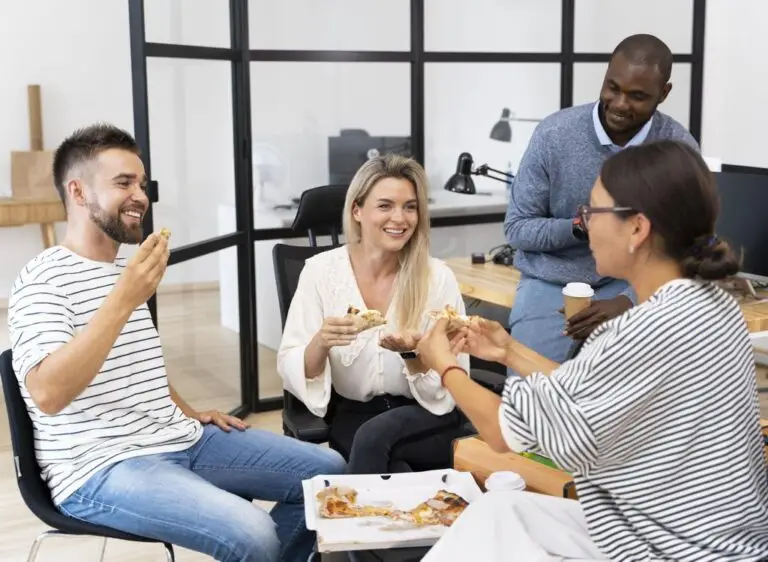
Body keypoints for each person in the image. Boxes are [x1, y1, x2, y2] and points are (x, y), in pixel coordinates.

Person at [7, 123, 346, 562]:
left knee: (329, 474)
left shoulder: (127, 271)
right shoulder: (42, 279)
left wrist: (188, 411)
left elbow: (132, 367)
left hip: (179, 436)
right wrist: (125, 299)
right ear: (77, 192)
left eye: (142, 184)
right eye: (123, 182)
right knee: (255, 533)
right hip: (100, 467)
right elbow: (48, 394)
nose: (141, 196)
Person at [415, 140, 768, 561]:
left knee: (489, 525)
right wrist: (509, 351)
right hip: (711, 539)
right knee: (501, 509)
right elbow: (585, 392)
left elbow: (503, 433)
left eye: (593, 212)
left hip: (674, 550)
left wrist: (445, 365)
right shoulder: (714, 305)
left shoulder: (639, 333)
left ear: (637, 228)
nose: (583, 224)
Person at [504, 33, 700, 365]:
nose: (621, 103)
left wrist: (631, 300)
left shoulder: (678, 148)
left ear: (664, 93)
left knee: (620, 406)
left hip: (636, 287)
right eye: (613, 88)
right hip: (551, 283)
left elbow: (690, 245)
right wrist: (579, 228)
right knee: (530, 399)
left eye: (638, 96)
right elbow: (518, 229)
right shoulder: (554, 134)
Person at [277, 153, 470, 474]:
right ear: (357, 210)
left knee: (374, 442)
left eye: (410, 206)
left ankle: (327, 524)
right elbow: (292, 367)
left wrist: (413, 353)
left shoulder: (438, 277)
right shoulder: (319, 273)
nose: (400, 218)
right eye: (385, 206)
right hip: (354, 415)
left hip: (426, 413)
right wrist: (321, 343)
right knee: (394, 467)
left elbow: (450, 383)